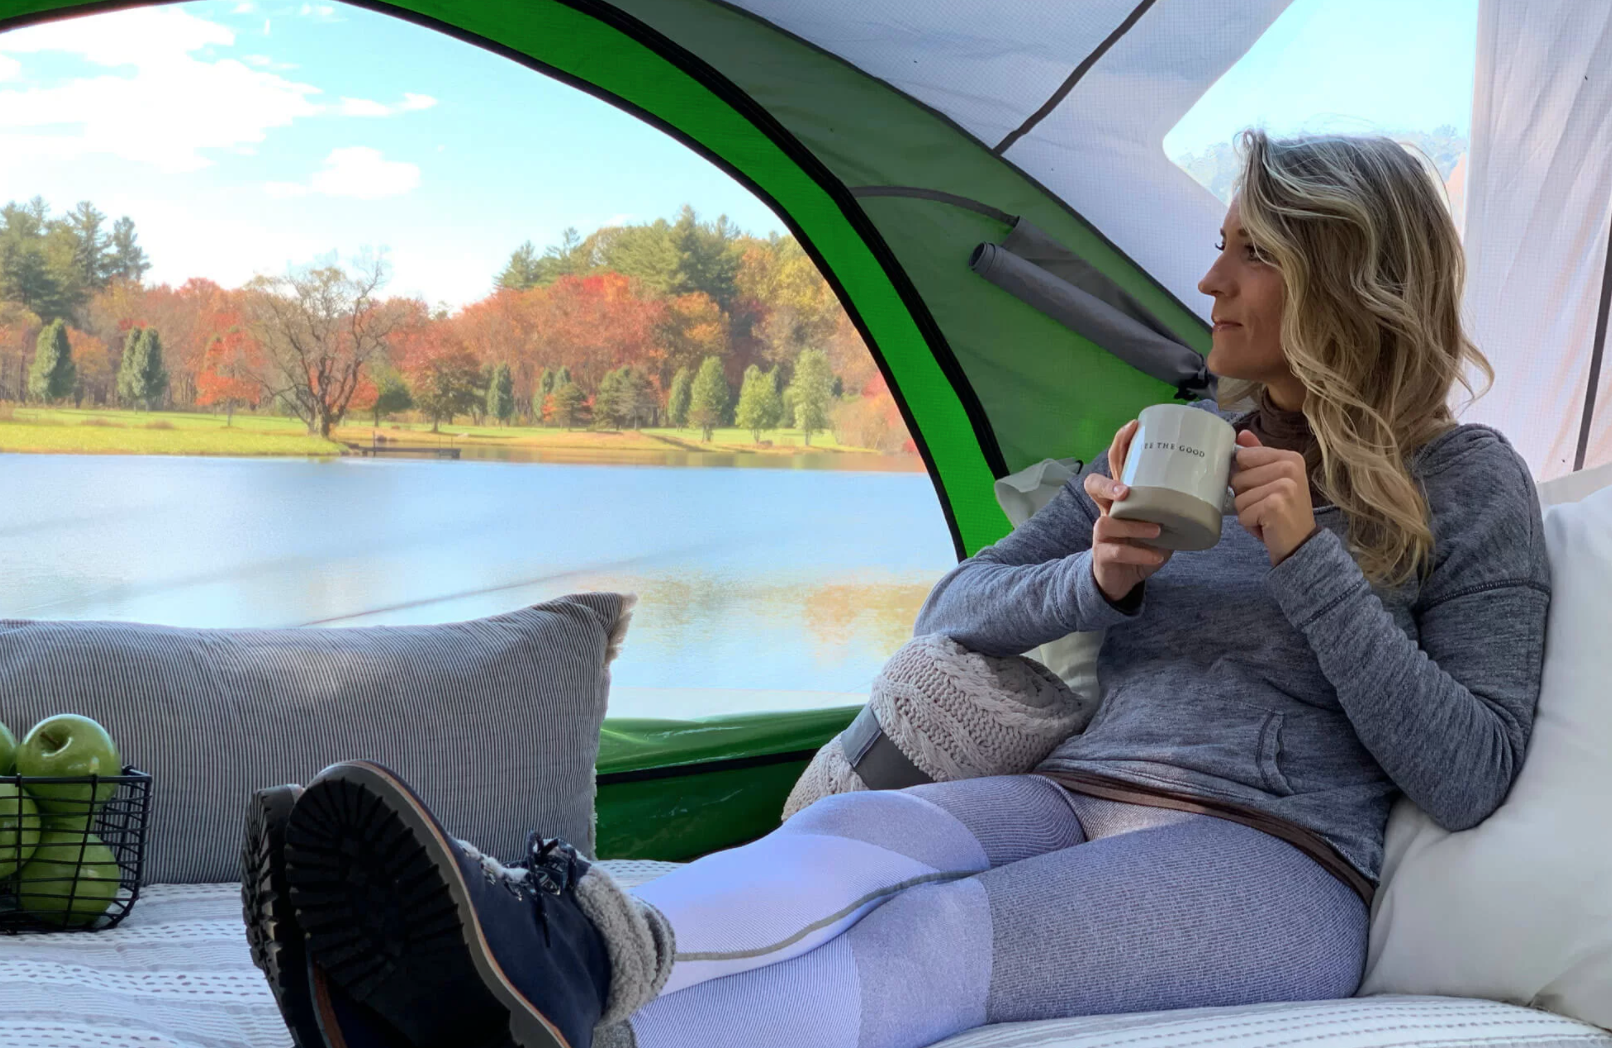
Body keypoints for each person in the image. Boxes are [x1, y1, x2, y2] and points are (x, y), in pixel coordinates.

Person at [242, 129, 1552, 1048]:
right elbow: (958, 614)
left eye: (1248, 252)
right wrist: (1090, 582)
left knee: (922, 942)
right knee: (829, 848)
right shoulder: (1173, 440)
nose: (1208, 280)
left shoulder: (1465, 479)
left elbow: (1471, 768)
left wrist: (1310, 558)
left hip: (1274, 859)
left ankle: (525, 1009)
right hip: (1071, 792)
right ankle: (531, 947)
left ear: (1343, 272)